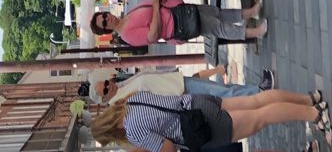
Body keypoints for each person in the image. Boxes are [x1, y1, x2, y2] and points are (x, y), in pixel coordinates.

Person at [86, 87, 332, 150]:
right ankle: (309, 99)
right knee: (256, 101)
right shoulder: (130, 101)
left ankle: (315, 115)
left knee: (260, 118)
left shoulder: (132, 132)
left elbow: (168, 146)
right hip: (196, 103)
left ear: (110, 134)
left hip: (200, 127)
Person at [90, 0, 267, 46]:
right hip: (179, 24)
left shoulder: (129, 14)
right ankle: (254, 33)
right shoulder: (128, 35)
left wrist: (159, 3)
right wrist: (157, 9)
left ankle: (249, 13)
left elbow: (154, 5)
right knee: (216, 27)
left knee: (216, 13)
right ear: (107, 30)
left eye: (104, 16)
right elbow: (152, 35)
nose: (107, 18)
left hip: (179, 11)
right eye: (104, 23)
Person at [91, 64, 266, 102]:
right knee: (223, 93)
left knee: (223, 90)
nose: (109, 85)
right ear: (104, 98)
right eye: (105, 89)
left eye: (106, 82)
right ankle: (260, 92)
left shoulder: (120, 88)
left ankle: (258, 92)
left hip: (177, 83)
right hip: (180, 92)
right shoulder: (121, 102)